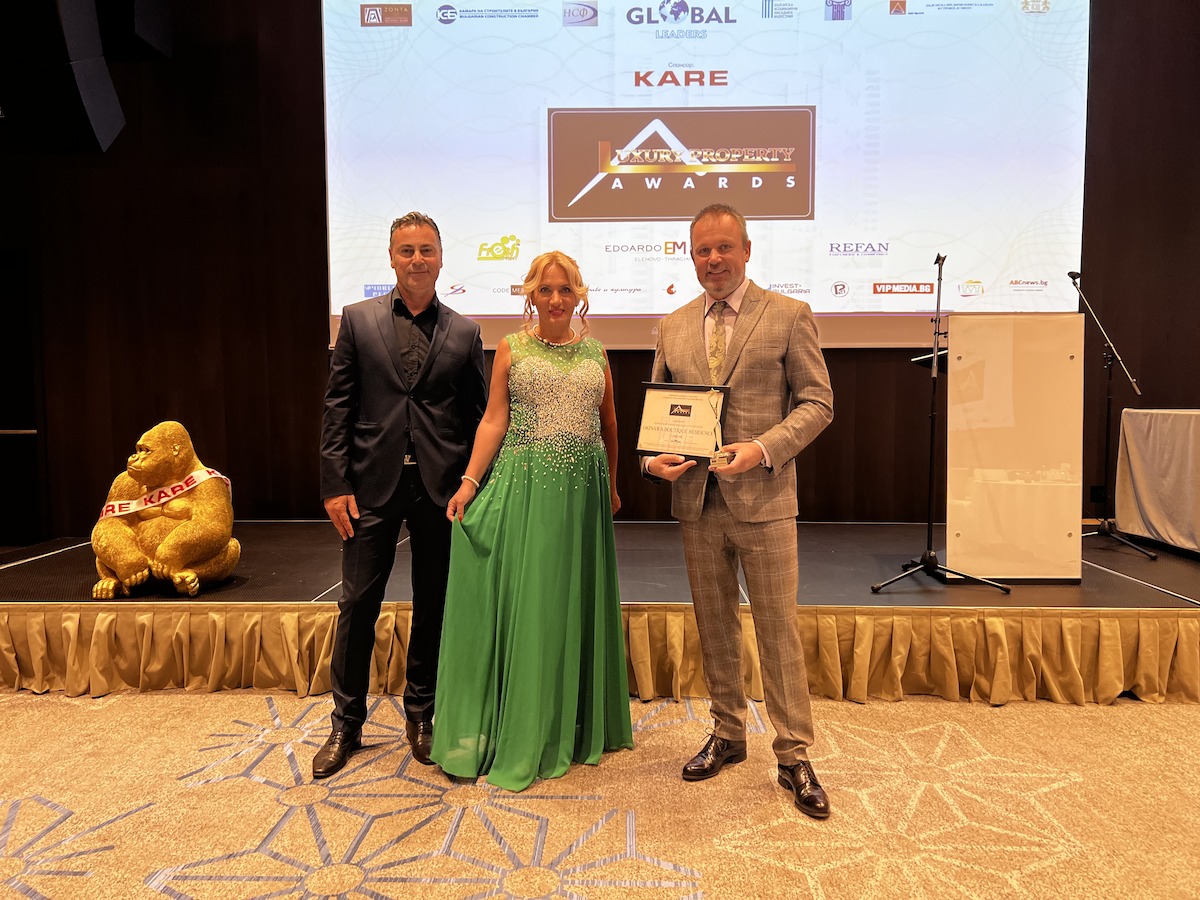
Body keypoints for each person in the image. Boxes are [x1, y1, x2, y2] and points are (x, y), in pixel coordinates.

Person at [643, 204, 835, 819]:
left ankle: (793, 753)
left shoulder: (789, 314)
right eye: (703, 250)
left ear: (747, 250)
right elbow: (659, 418)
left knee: (778, 630)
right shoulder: (673, 325)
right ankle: (727, 732)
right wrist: (652, 462)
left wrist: (762, 449)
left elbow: (818, 402)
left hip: (766, 500)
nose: (714, 259)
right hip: (697, 503)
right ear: (691, 255)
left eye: (724, 247)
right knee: (714, 626)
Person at [430, 250, 634, 792]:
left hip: (582, 493)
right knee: (537, 601)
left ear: (579, 295)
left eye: (565, 289)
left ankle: (568, 719)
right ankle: (524, 726)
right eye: (546, 289)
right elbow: (493, 421)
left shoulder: (596, 352)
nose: (556, 299)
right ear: (531, 296)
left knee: (568, 599)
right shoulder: (511, 348)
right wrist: (470, 482)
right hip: (527, 488)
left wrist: (613, 484)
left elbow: (609, 424)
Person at [315, 212, 487, 778]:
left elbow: (478, 416)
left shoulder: (465, 331)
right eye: (406, 250)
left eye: (426, 250)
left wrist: (475, 484)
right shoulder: (357, 320)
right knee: (357, 604)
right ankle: (346, 723)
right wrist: (335, 483)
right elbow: (338, 406)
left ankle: (422, 713)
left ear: (440, 258)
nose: (417, 259)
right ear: (391, 258)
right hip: (369, 486)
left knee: (433, 603)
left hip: (441, 488)